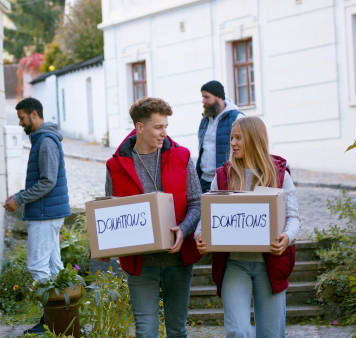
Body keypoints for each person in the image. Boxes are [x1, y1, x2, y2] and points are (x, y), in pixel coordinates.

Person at [101, 97, 203, 338]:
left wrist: (184, 228)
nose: (164, 133)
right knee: (146, 331)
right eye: (158, 127)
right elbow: (110, 213)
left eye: (166, 127)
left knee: (177, 330)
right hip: (141, 263)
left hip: (178, 260)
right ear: (139, 127)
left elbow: (197, 202)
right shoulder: (115, 166)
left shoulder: (182, 156)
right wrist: (105, 246)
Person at [195, 116, 301, 338]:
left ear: (254, 139)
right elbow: (208, 215)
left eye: (238, 138)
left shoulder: (280, 175)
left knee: (272, 333)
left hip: (270, 264)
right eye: (232, 138)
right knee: (237, 330)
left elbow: (294, 218)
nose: (232, 143)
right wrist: (200, 235)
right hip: (234, 264)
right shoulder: (223, 176)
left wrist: (287, 237)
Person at [4, 97, 70, 335]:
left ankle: (52, 318)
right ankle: (62, 317)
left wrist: (19, 200)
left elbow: (48, 182)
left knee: (37, 266)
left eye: (22, 118)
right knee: (53, 266)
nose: (21, 123)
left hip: (45, 214)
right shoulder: (42, 140)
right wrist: (20, 194)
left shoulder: (46, 142)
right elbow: (44, 180)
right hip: (48, 212)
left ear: (34, 114)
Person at [196, 80, 244, 192]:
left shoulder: (237, 118)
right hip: (203, 180)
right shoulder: (204, 120)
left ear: (219, 97)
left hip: (226, 180)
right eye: (203, 97)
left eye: (207, 97)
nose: (203, 101)